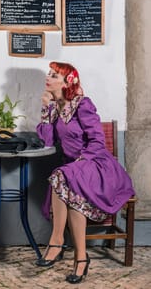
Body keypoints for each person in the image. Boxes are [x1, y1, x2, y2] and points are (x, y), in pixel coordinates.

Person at [35, 61, 135, 284]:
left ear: (66, 82)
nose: (48, 78)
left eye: (54, 75)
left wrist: (81, 164)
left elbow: (97, 141)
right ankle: (81, 258)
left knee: (61, 177)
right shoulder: (56, 108)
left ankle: (57, 241)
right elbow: (47, 141)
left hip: (96, 164)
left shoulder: (83, 104)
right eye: (49, 74)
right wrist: (45, 108)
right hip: (73, 169)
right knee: (68, 188)